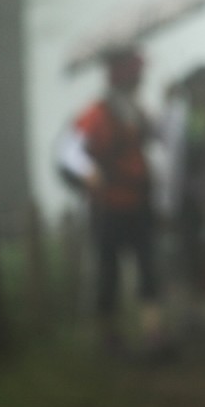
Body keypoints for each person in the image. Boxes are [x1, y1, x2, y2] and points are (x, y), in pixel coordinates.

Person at [58, 45, 168, 357]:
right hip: (107, 205)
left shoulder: (139, 111)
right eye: (136, 76)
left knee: (148, 268)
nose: (140, 82)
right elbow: (69, 152)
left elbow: (159, 141)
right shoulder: (96, 113)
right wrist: (89, 172)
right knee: (108, 272)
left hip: (139, 203)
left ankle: (152, 333)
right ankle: (111, 334)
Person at [160, 64, 205, 330]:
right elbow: (165, 148)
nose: (202, 91)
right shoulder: (178, 115)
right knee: (188, 254)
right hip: (186, 199)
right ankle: (192, 312)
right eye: (197, 85)